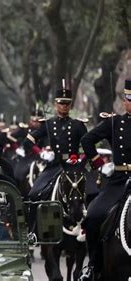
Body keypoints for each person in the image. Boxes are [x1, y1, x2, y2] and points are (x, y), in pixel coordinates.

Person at [79, 79, 131, 281]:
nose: (130, 103)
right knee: (93, 216)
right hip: (119, 181)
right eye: (128, 99)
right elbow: (87, 140)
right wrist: (99, 164)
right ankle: (93, 265)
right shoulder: (114, 122)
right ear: (124, 100)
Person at [23, 83, 88, 202]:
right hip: (55, 165)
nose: (64, 106)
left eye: (67, 103)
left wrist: (80, 160)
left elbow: (88, 146)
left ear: (70, 105)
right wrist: (41, 153)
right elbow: (28, 141)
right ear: (55, 104)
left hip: (74, 167)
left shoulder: (78, 125)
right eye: (61, 103)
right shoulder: (48, 124)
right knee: (33, 194)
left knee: (93, 193)